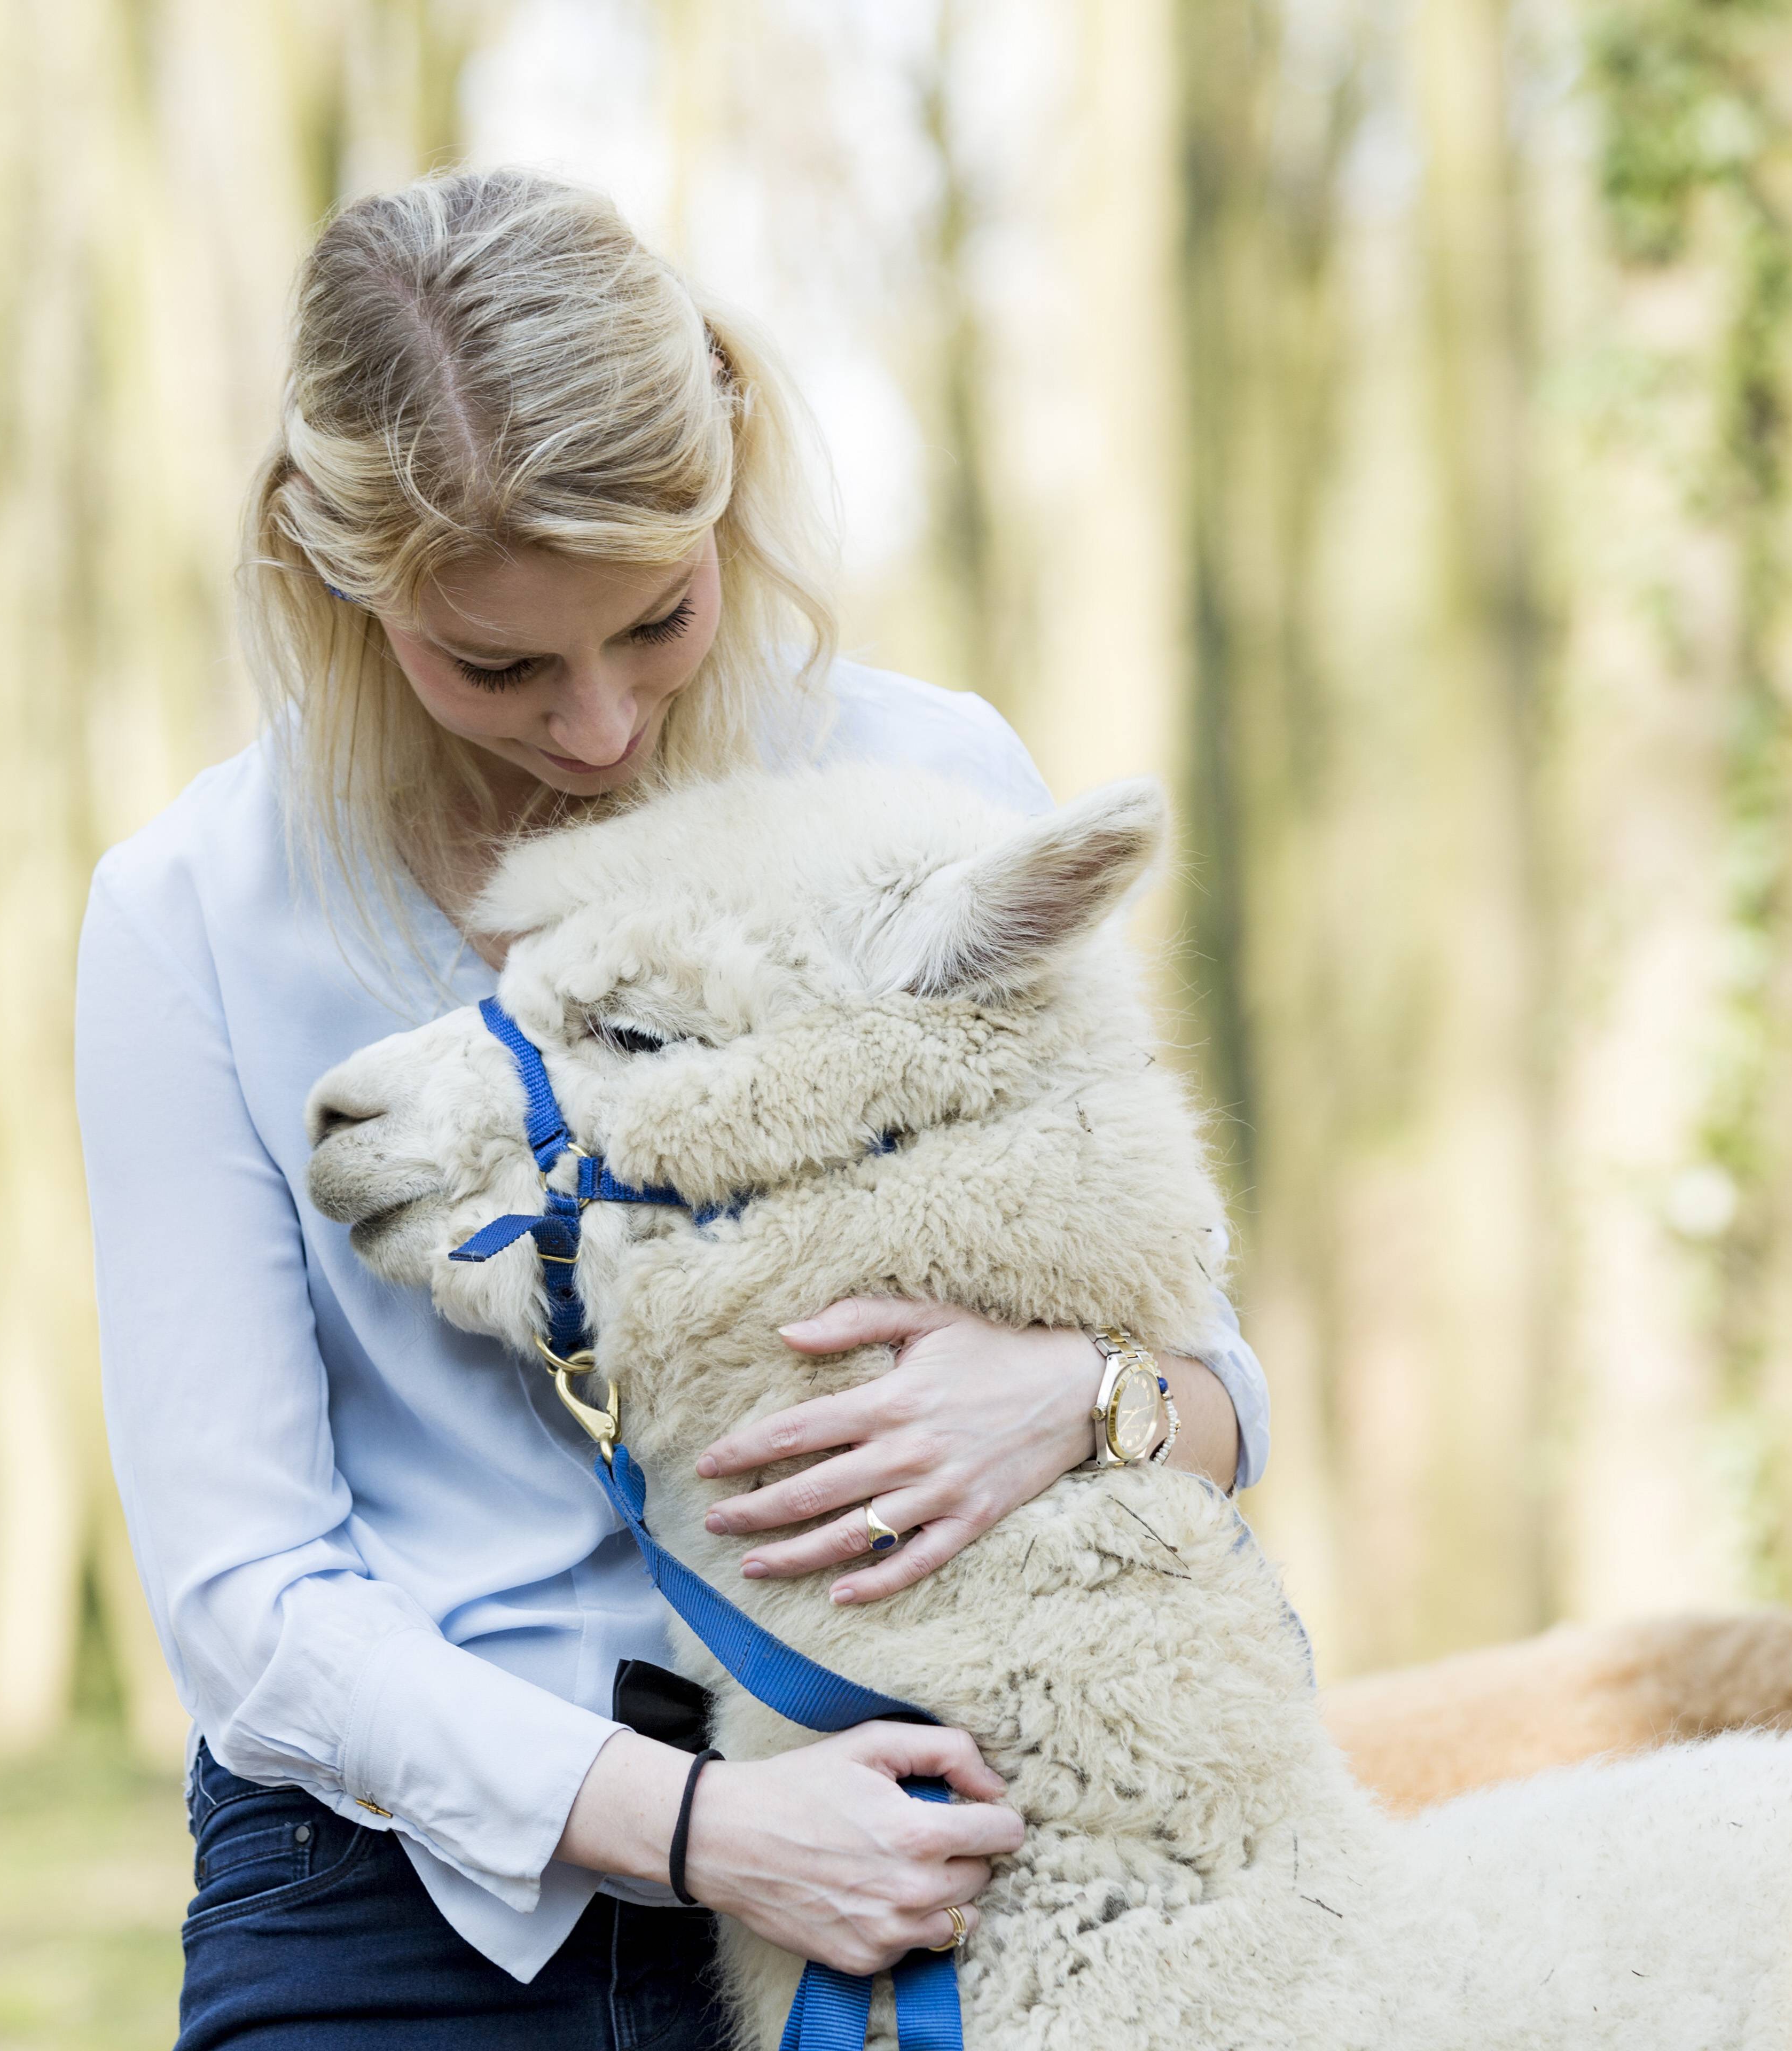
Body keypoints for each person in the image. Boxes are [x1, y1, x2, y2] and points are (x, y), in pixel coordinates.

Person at [75, 168, 1271, 2051]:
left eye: (658, 618)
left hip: (924, 1843)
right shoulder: (193, 920)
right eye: (501, 664)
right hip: (412, 1898)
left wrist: (1078, 1401)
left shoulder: (918, 786)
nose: (605, 726)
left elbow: (1215, 1390)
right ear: (332, 569)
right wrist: (715, 1835)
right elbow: (246, 1595)